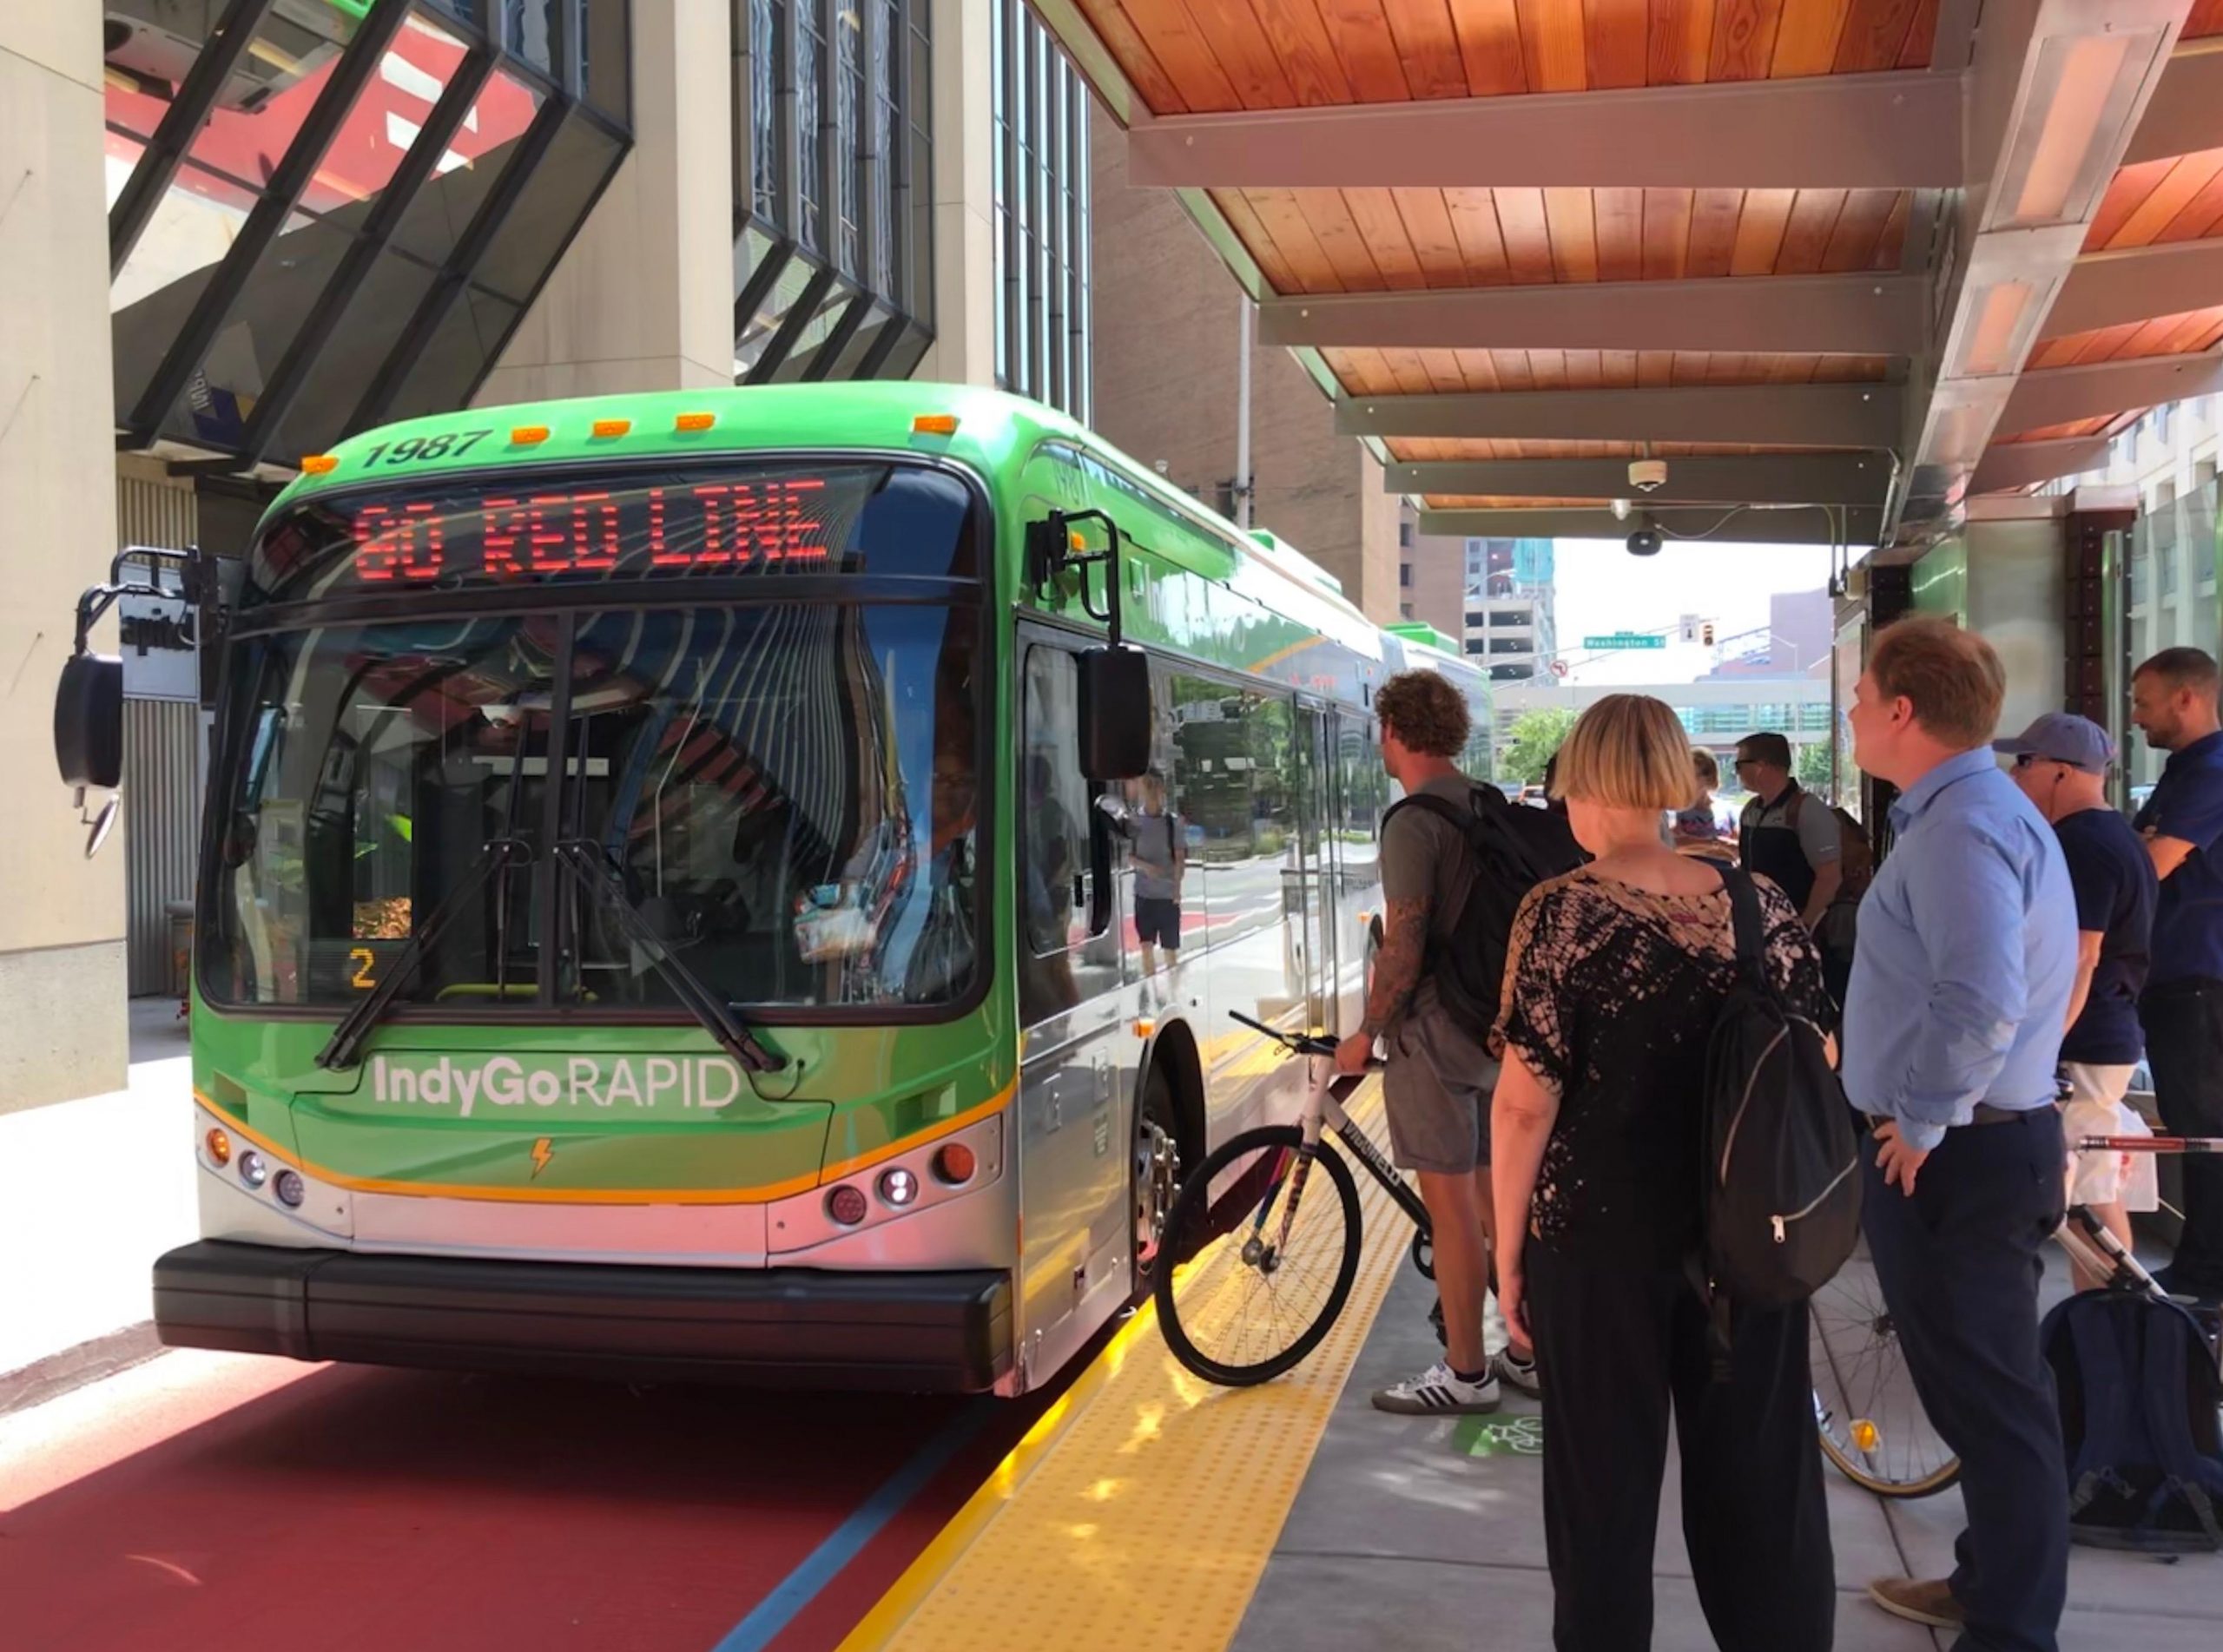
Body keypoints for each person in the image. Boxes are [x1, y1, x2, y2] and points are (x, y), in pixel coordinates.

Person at [1492, 693, 1835, 1652]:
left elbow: (1524, 1102)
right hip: (1749, 1243)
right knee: (1763, 1492)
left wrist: (1505, 1250)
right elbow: (1820, 1058)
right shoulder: (1757, 904)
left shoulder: (1561, 912)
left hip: (1597, 1245)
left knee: (1600, 1498)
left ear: (1582, 785)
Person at [1842, 618, 2075, 1649]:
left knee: (1992, 1403)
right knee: (1985, 1394)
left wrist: (1923, 1118)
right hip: (1979, 1139)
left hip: (1959, 1153)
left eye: (1859, 694)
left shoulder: (1958, 830)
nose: (1850, 711)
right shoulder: (1974, 813)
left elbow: (1979, 995)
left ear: (1900, 710)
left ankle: (2011, 1629)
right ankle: (1990, 1587)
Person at [1335, 669, 1539, 1413]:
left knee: (1449, 1210)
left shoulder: (1413, 820)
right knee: (1498, 1205)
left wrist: (1366, 1034)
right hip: (1496, 1031)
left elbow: (1404, 946)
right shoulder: (1486, 800)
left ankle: (1465, 1371)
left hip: (1436, 1035)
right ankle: (1527, 1348)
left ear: (1393, 731)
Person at [1999, 712, 2157, 1292]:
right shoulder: (2116, 836)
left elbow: (2081, 956)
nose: (2015, 778)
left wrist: (2041, 1045)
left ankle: (2111, 1329)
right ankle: (2110, 1325)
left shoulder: (2083, 843)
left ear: (2062, 772)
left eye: (2024, 763)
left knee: (2086, 1200)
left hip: (2083, 1041)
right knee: (2090, 1192)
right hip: (2101, 1035)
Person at [2130, 646, 2223, 1304]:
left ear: (2186, 697)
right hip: (2176, 975)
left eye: (2143, 701)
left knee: (2208, 1132)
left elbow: (2148, 864)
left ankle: (2207, 1274)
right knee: (2196, 1128)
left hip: (2201, 976)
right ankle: (2202, 1264)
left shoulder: (2211, 773)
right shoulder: (2181, 771)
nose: (2136, 716)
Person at [1122, 773, 1185, 992]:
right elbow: (1129, 857)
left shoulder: (1172, 822)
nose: (1152, 793)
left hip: (1167, 897)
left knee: (1170, 950)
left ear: (1162, 791)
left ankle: (1173, 994)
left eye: (1156, 787)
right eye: (1148, 787)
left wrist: (1177, 889)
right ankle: (1151, 992)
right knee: (1146, 946)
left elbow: (1179, 857)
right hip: (1144, 895)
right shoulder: (1134, 822)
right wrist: (1147, 867)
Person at [1672, 748, 1736, 862]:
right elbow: (1672, 846)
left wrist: (1693, 845)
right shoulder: (1674, 810)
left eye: (1691, 774)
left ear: (1709, 777)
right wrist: (1719, 845)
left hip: (1725, 873)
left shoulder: (1725, 809)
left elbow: (1737, 849)